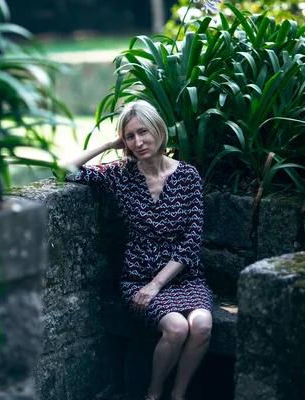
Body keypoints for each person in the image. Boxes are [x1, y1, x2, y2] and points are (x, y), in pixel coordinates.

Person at [61, 100, 213, 400]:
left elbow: (191, 241)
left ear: (158, 130)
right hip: (139, 278)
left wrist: (158, 285)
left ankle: (178, 394)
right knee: (177, 329)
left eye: (143, 132)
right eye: (130, 136)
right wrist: (110, 143)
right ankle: (154, 394)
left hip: (184, 278)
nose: (138, 142)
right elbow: (66, 170)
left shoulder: (188, 176)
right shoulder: (120, 174)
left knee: (202, 325)